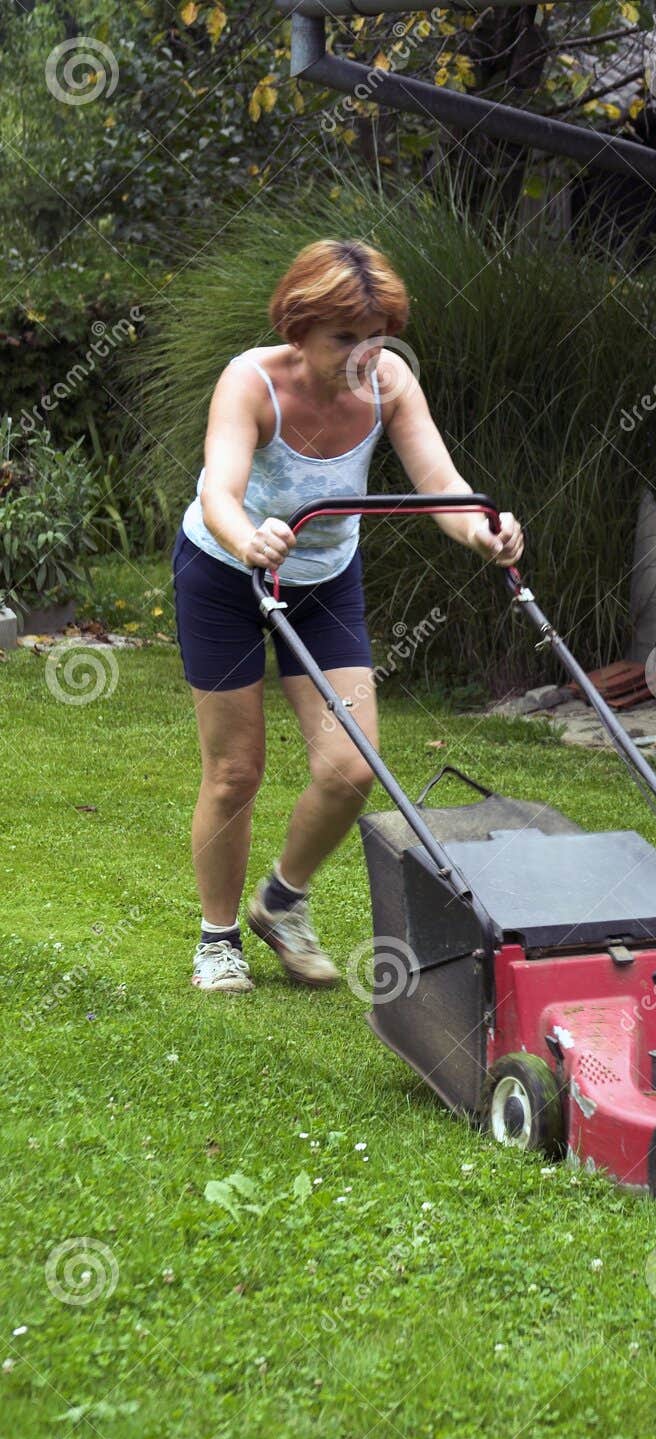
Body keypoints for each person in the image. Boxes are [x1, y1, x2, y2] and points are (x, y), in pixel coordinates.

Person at [172, 238, 523, 992]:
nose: (365, 355)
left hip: (324, 578)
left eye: (377, 337)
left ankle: (282, 902)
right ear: (298, 328)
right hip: (226, 572)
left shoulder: (388, 382)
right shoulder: (250, 382)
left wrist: (483, 530)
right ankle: (217, 939)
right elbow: (219, 492)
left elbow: (440, 484)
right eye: (345, 339)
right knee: (235, 771)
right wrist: (247, 537)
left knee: (352, 766)